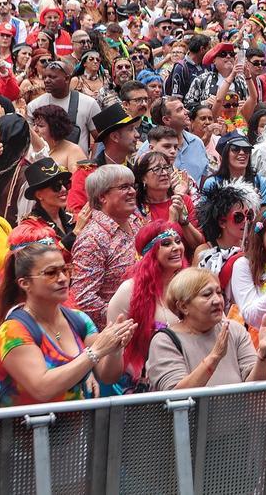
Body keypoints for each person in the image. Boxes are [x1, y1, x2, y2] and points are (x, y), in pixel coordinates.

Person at [0, 241, 137, 405]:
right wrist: (94, 352)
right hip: (27, 428)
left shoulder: (79, 319)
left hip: (74, 428)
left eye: (65, 270)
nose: (62, 279)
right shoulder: (12, 330)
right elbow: (42, 388)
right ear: (25, 283)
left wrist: (115, 349)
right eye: (51, 273)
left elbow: (108, 376)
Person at [145, 268, 266, 390]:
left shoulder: (234, 330)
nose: (217, 300)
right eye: (207, 295)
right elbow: (175, 396)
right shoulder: (164, 341)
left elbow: (254, 386)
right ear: (184, 306)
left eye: (219, 293)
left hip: (237, 412)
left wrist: (263, 355)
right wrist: (214, 357)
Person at [105, 221, 187, 393]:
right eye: (166, 243)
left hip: (187, 381)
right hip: (143, 391)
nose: (176, 247)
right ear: (150, 252)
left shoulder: (189, 285)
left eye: (178, 241)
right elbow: (112, 351)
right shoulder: (129, 290)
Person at [70, 164, 145, 327]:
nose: (132, 191)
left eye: (132, 186)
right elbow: (83, 298)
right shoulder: (92, 239)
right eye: (124, 187)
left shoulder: (136, 222)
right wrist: (127, 320)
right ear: (102, 196)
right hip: (120, 333)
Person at [26, 59, 101, 154]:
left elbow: (100, 138)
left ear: (66, 79)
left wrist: (93, 160)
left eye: (52, 77)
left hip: (77, 165)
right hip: (44, 165)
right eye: (45, 77)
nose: (46, 81)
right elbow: (30, 139)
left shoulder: (89, 103)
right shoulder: (35, 105)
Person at [16, 157, 81, 250]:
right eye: (56, 186)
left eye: (66, 184)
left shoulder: (73, 218)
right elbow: (44, 258)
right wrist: (75, 233)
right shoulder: (30, 228)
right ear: (39, 195)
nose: (64, 189)